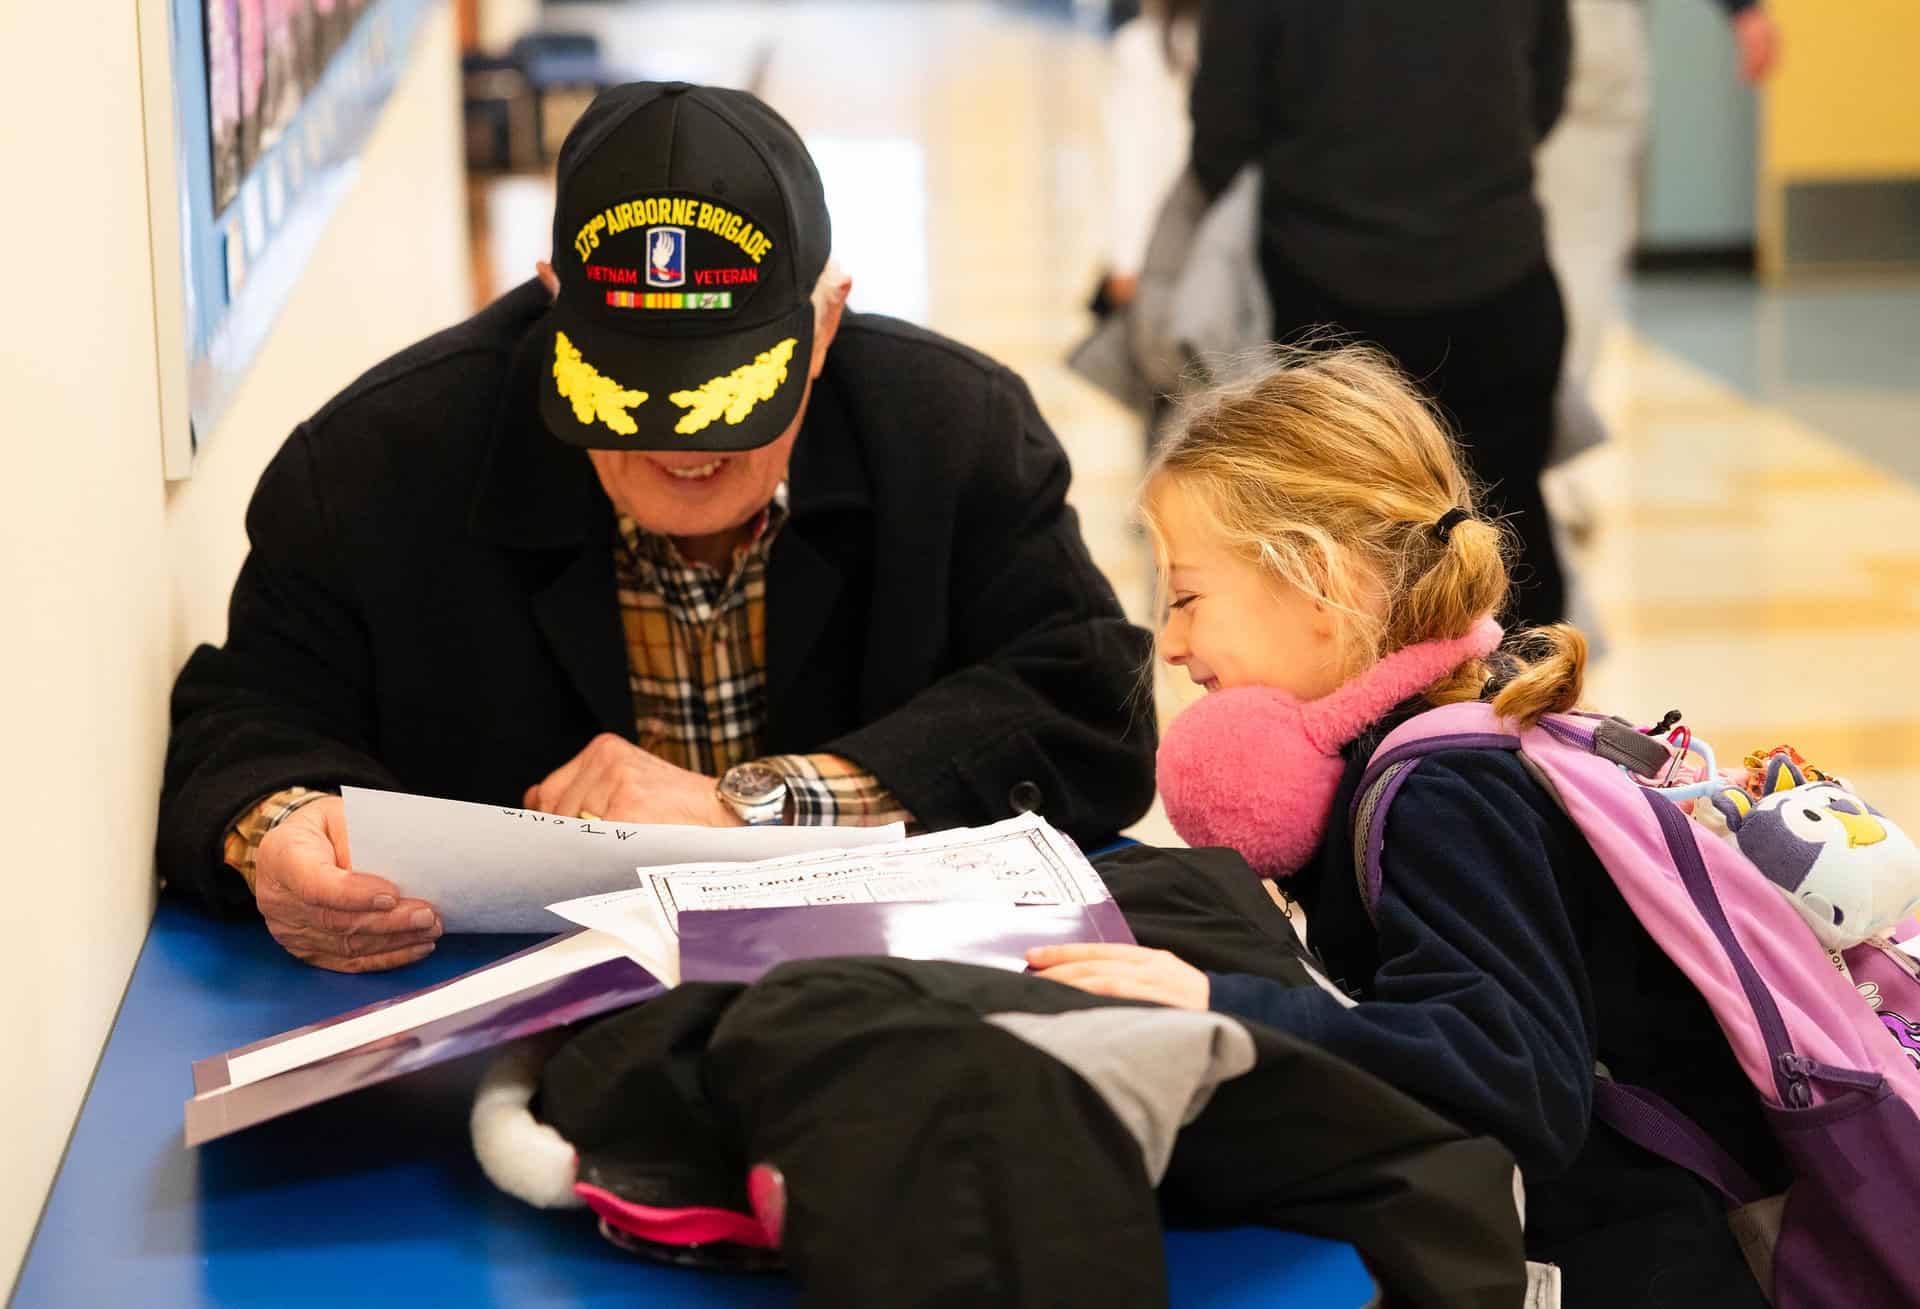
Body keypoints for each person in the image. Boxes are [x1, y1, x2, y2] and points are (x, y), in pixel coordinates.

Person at [159, 81, 1157, 973]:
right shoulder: (376, 466)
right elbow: (246, 719)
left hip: (879, 1009)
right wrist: (280, 831)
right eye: (630, 389)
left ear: (825, 322)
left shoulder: (951, 430)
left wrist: (756, 803)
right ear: (555, 310)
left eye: (730, 391)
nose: (686, 445)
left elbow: (1089, 694)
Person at [1030, 348, 1778, 1305]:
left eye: (1183, 598)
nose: (1169, 646)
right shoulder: (1447, 731)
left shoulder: (1442, 793)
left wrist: (1222, 1004)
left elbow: (1519, 1078)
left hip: (1633, 1266)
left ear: (1319, 583)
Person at [1189, 0, 1573, 628]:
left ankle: (1376, 723)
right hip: (1498, 272)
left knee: (1347, 548)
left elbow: (1222, 129)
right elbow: (1547, 92)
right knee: (1507, 530)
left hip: (1326, 287)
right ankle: (1522, 711)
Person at [1097, 0, 1200, 312]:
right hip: (1213, 242)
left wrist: (1127, 258)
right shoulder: (1147, 47)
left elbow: (1131, 162)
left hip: (1165, 246)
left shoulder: (1143, 47)